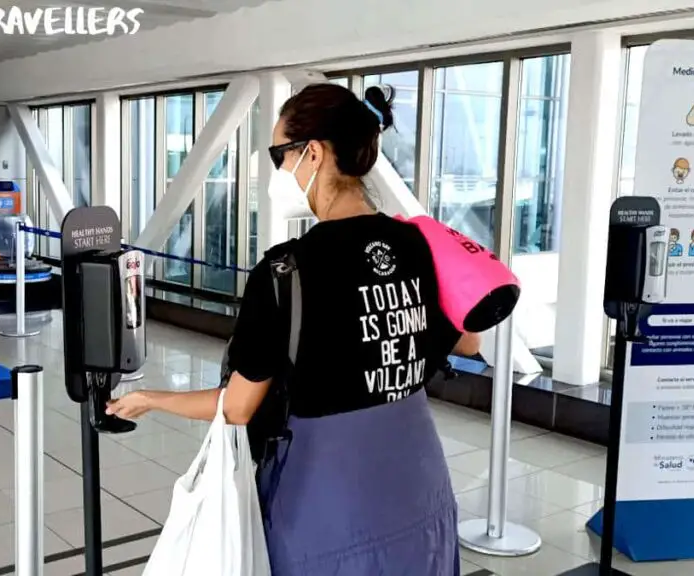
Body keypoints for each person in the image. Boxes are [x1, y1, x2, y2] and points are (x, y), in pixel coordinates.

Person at [106, 83, 480, 576]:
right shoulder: (420, 244)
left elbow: (238, 407)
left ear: (314, 153)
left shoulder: (286, 271)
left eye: (279, 154)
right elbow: (468, 341)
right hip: (419, 485)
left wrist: (152, 399)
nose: (278, 171)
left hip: (329, 505)